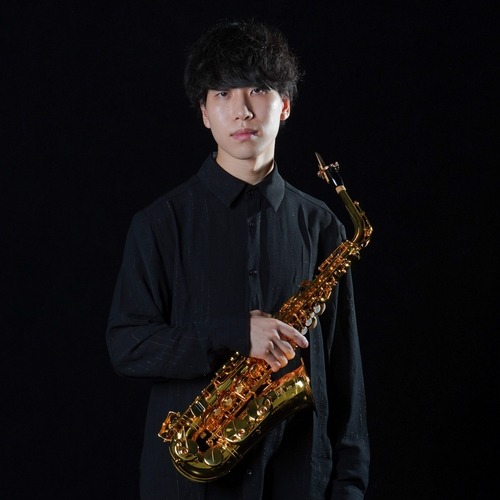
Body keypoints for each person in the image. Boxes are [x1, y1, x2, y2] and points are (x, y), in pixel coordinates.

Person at [106, 20, 369, 500]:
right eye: (223, 93)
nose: (242, 109)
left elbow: (344, 376)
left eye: (259, 89)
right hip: (188, 484)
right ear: (205, 113)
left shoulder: (323, 227)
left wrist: (349, 488)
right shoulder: (160, 223)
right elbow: (127, 345)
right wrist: (232, 333)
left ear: (284, 105)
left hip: (297, 478)